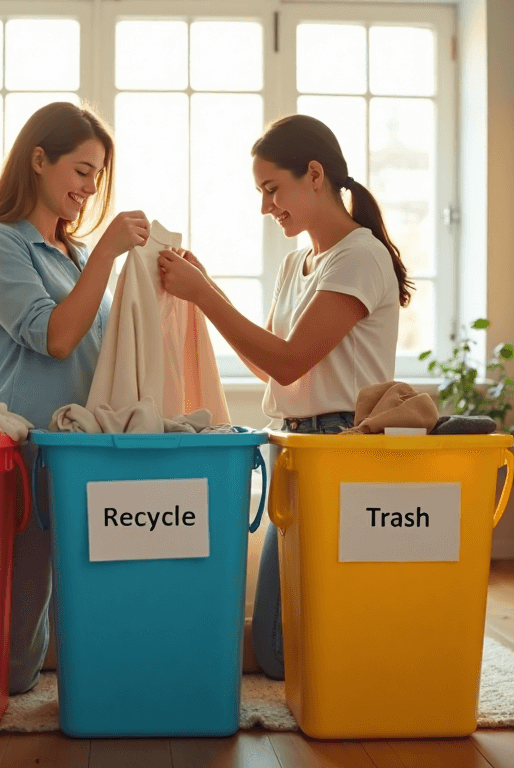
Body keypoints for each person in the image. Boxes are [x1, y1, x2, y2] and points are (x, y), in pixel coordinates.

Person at [157, 114, 413, 680]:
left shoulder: (360, 257)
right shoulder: (299, 262)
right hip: (296, 445)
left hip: (341, 445)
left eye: (273, 189)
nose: (266, 206)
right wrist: (207, 294)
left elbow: (290, 359)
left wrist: (205, 295)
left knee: (289, 642)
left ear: (315, 175)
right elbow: (272, 368)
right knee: (277, 644)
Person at [0, 101, 149, 693]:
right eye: (82, 171)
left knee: (96, 603)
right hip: (33, 451)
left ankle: (92, 697)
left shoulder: (77, 255)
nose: (90, 190)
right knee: (19, 635)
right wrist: (112, 255)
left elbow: (107, 349)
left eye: (97, 177)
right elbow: (58, 338)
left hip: (89, 451)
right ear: (39, 161)